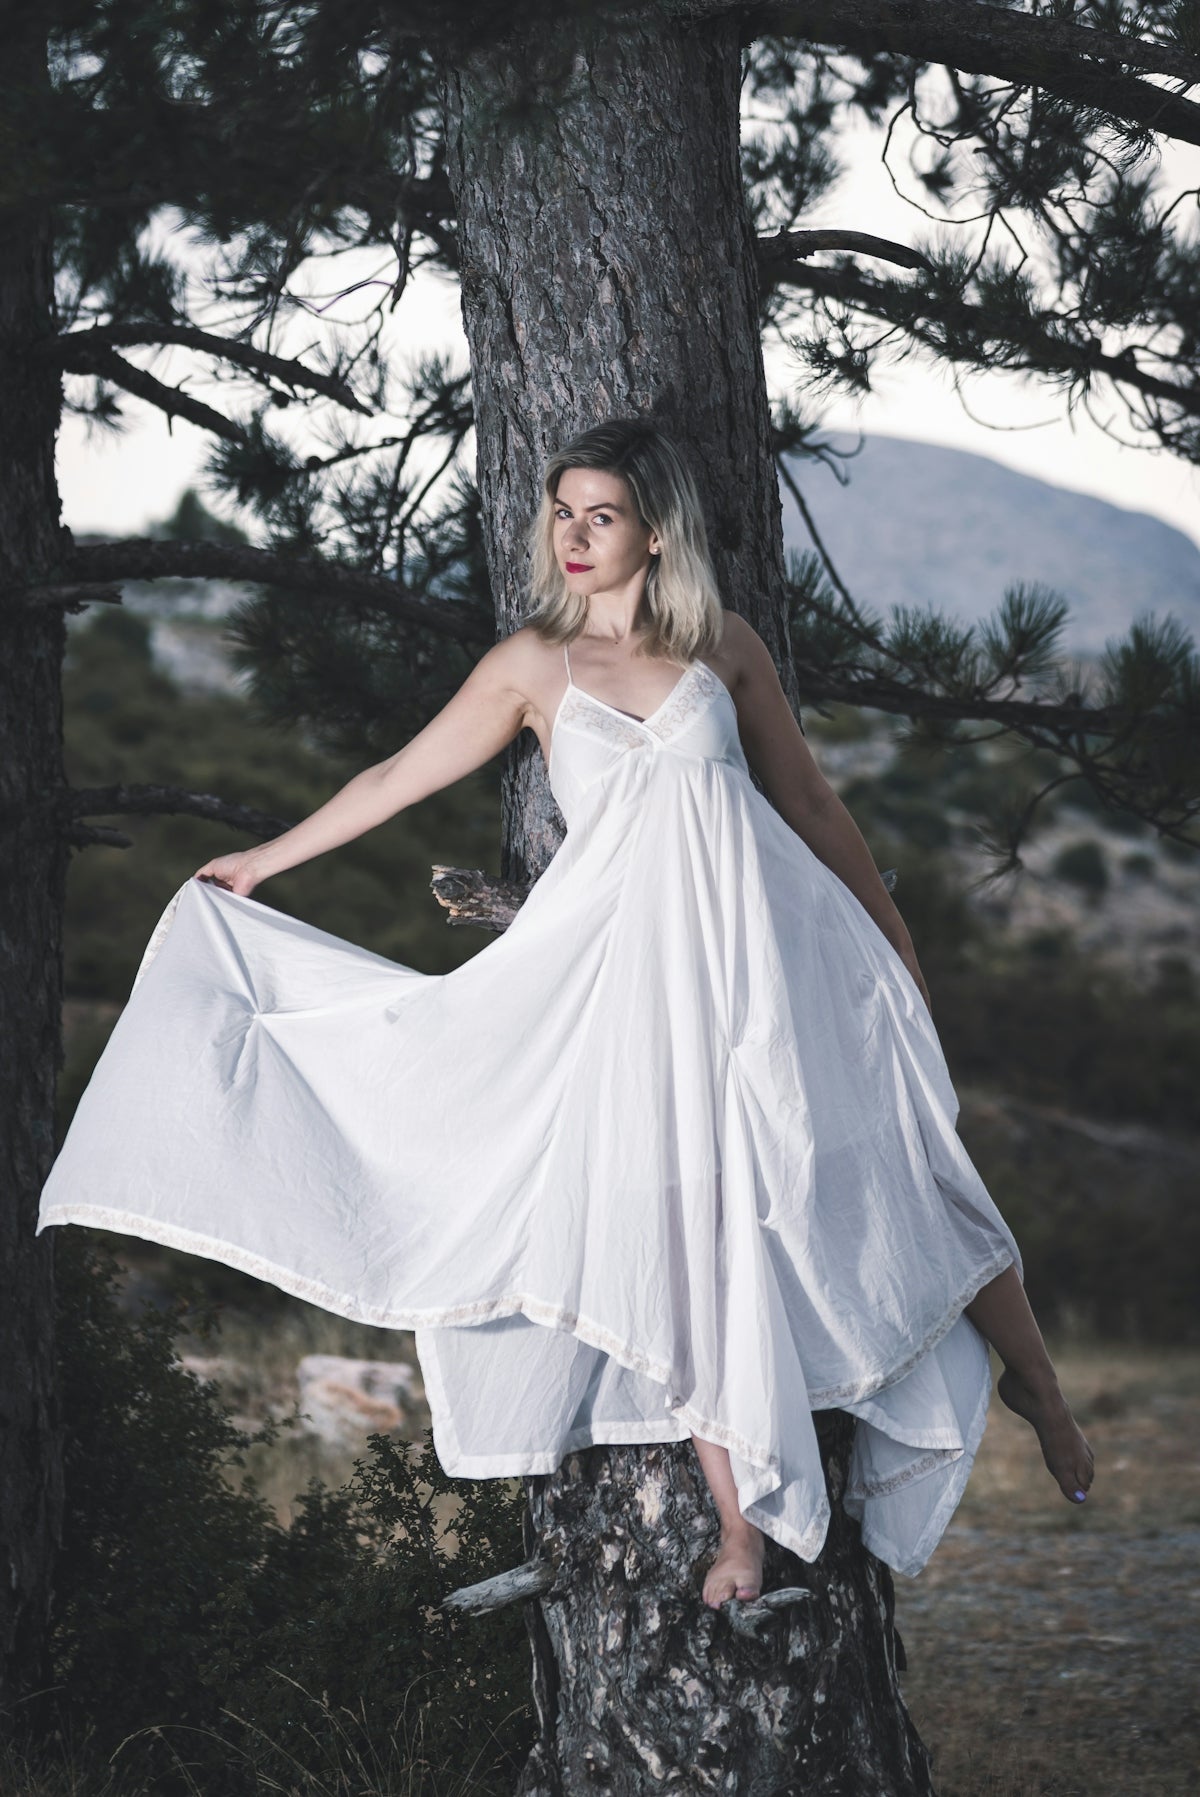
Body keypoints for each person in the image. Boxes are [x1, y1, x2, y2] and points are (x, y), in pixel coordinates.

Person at [38, 418, 1094, 1610]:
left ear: (655, 530)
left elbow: (807, 800)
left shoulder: (722, 647)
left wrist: (891, 941)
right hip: (624, 993)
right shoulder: (531, 664)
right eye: (563, 512)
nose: (576, 535)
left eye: (602, 515)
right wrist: (268, 859)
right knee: (687, 1242)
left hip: (773, 965)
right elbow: (398, 776)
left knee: (905, 1157)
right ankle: (741, 1531)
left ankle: (1040, 1385)